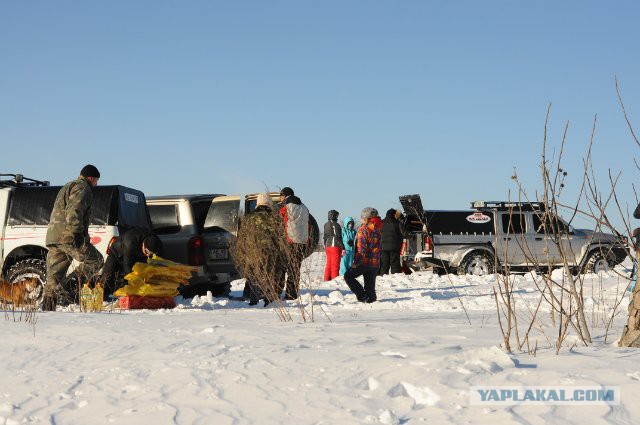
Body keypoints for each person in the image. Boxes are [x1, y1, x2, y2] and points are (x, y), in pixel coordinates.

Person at [43, 164, 104, 311]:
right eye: (96, 180)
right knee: (96, 260)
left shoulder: (68, 186)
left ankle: (47, 310)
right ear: (91, 178)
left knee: (54, 275)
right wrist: (76, 233)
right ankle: (66, 289)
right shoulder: (83, 187)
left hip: (54, 237)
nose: (96, 184)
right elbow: (74, 210)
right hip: (69, 236)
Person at [236, 193, 285, 306]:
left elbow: (242, 239)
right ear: (269, 204)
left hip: (252, 255)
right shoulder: (276, 219)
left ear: (257, 204)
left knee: (254, 278)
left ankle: (254, 301)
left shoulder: (248, 219)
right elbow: (281, 239)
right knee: (270, 277)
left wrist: (241, 255)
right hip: (271, 255)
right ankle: (269, 301)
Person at [100, 228, 163, 298]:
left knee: (143, 274)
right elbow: (127, 265)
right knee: (108, 276)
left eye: (151, 254)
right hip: (117, 252)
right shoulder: (130, 243)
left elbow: (159, 262)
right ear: (143, 245)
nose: (148, 256)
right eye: (147, 253)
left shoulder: (157, 244)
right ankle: (101, 296)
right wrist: (132, 283)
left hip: (136, 254)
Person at [343, 207, 382, 303]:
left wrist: (356, 263)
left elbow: (361, 249)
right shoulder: (377, 229)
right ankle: (370, 298)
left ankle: (361, 295)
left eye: (361, 217)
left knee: (348, 276)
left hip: (364, 262)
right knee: (370, 290)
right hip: (375, 263)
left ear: (365, 218)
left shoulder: (364, 229)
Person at [278, 187, 309, 300]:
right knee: (295, 269)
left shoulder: (286, 206)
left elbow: (280, 221)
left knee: (281, 267)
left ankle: (277, 291)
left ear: (284, 195)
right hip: (302, 242)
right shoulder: (304, 207)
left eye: (280, 196)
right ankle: (291, 294)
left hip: (289, 241)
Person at [379, 208, 405, 275]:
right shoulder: (397, 223)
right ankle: (396, 277)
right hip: (395, 247)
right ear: (394, 214)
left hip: (383, 247)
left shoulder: (381, 223)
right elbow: (404, 233)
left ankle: (383, 277)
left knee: (384, 264)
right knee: (395, 263)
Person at [323, 210, 344, 281]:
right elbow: (337, 237)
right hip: (335, 246)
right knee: (335, 265)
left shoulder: (325, 224)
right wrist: (343, 247)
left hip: (328, 246)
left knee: (328, 265)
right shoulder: (336, 225)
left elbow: (325, 237)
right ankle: (334, 281)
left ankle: (326, 280)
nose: (337, 217)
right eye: (337, 216)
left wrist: (325, 245)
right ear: (334, 216)